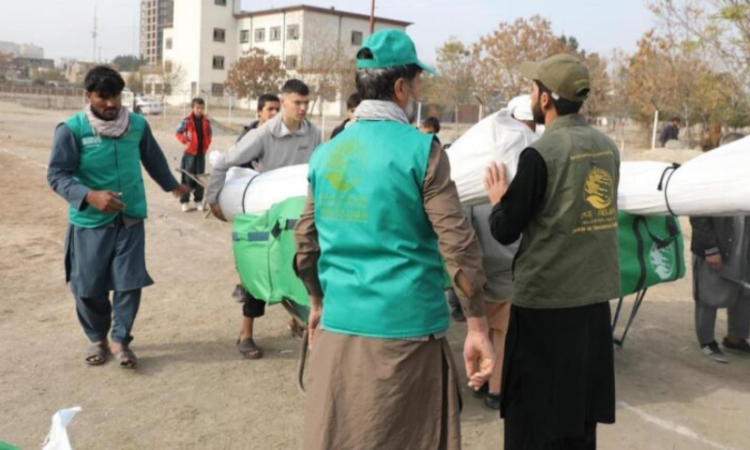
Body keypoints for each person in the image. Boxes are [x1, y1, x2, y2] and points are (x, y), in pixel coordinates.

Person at [294, 29, 495, 450]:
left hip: (340, 327)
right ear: (401, 87)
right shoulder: (424, 151)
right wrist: (477, 324)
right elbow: (458, 247)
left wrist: (317, 301)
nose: (419, 89)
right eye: (417, 81)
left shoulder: (325, 154)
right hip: (409, 337)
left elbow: (306, 242)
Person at [484, 54, 619, 448]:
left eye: (532, 87)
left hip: (545, 305)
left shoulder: (541, 154)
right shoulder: (607, 147)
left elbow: (506, 229)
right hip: (591, 304)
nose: (530, 94)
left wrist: (498, 200)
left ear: (546, 98)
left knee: (534, 416)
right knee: (579, 413)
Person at [47, 65, 191, 369]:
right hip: (89, 223)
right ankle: (97, 337)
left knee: (129, 282)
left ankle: (120, 339)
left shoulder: (137, 125)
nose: (111, 104)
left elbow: (153, 158)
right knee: (87, 287)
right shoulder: (72, 129)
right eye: (103, 97)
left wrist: (172, 185)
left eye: (116, 96)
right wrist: (89, 196)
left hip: (130, 218)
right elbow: (57, 175)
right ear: (88, 96)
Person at [207, 79, 321, 359]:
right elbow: (224, 163)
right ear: (284, 102)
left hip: (298, 215)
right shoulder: (263, 135)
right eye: (298, 102)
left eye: (307, 102)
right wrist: (212, 201)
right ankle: (246, 333)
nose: (304, 108)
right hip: (267, 214)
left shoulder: (314, 134)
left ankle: (299, 321)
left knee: (302, 269)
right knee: (258, 275)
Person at [470, 94, 538, 411]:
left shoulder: (480, 155)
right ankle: (495, 389)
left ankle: (482, 381)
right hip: (508, 260)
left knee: (485, 326)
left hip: (481, 261)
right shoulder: (528, 158)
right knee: (501, 334)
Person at [690, 132, 750, 364]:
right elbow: (698, 216)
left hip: (744, 248)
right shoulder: (707, 176)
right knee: (709, 295)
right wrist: (710, 250)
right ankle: (707, 341)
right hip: (715, 249)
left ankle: (735, 338)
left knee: (744, 295)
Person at [175, 98, 212, 212]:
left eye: (202, 108)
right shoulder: (187, 121)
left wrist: (206, 146)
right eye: (197, 108)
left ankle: (198, 201)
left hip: (201, 154)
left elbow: (209, 135)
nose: (200, 110)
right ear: (193, 108)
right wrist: (185, 141)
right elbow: (178, 132)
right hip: (189, 154)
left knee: (200, 178)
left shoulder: (206, 121)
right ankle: (185, 201)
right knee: (187, 178)